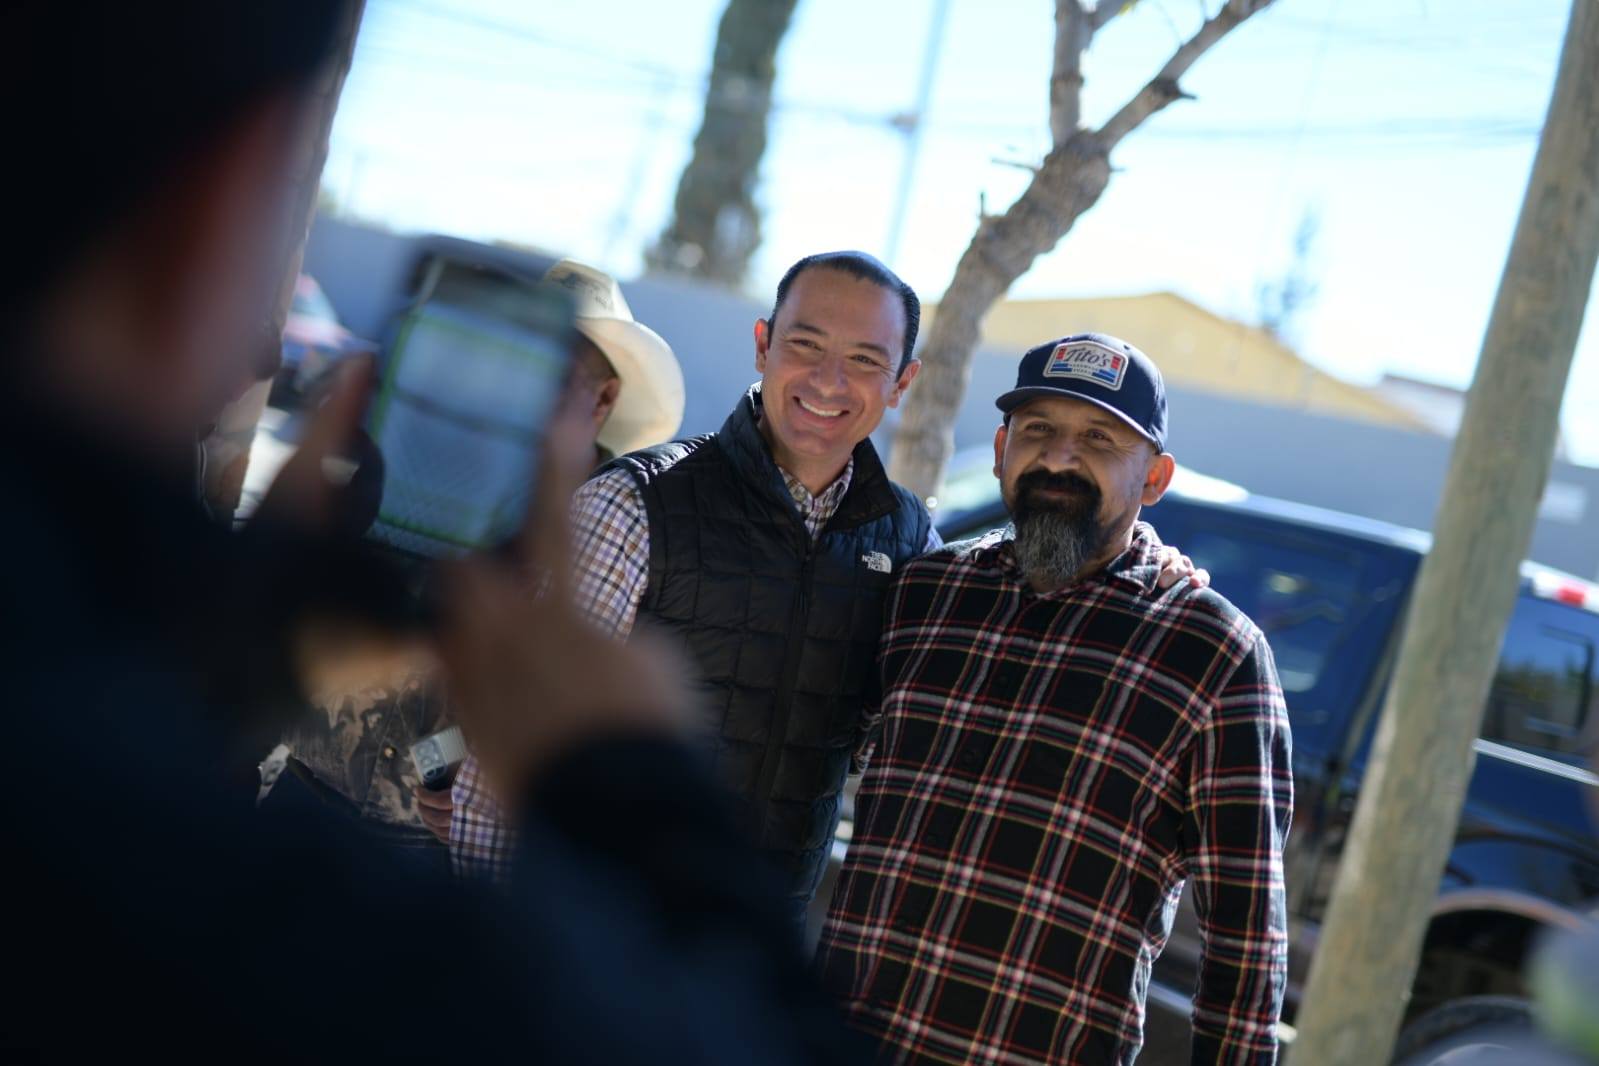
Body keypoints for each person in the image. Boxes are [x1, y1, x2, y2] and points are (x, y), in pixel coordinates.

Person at [2, 3, 867, 1060]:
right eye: (517, 366)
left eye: (572, 380)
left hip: (436, 870)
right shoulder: (370, 494)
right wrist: (636, 784)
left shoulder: (612, 526)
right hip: (325, 833)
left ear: (604, 404)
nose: (540, 399)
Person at [817, 334, 1293, 1064]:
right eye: (1038, 429)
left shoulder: (1213, 653)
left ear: (1155, 477)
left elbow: (1246, 942)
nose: (1060, 458)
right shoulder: (924, 594)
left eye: (1099, 439)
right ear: (1001, 449)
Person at [271, 257, 684, 859]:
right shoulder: (410, 459)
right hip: (301, 799)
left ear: (604, 400)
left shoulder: (607, 532)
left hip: (432, 857)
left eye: (557, 375)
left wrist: (495, 793)